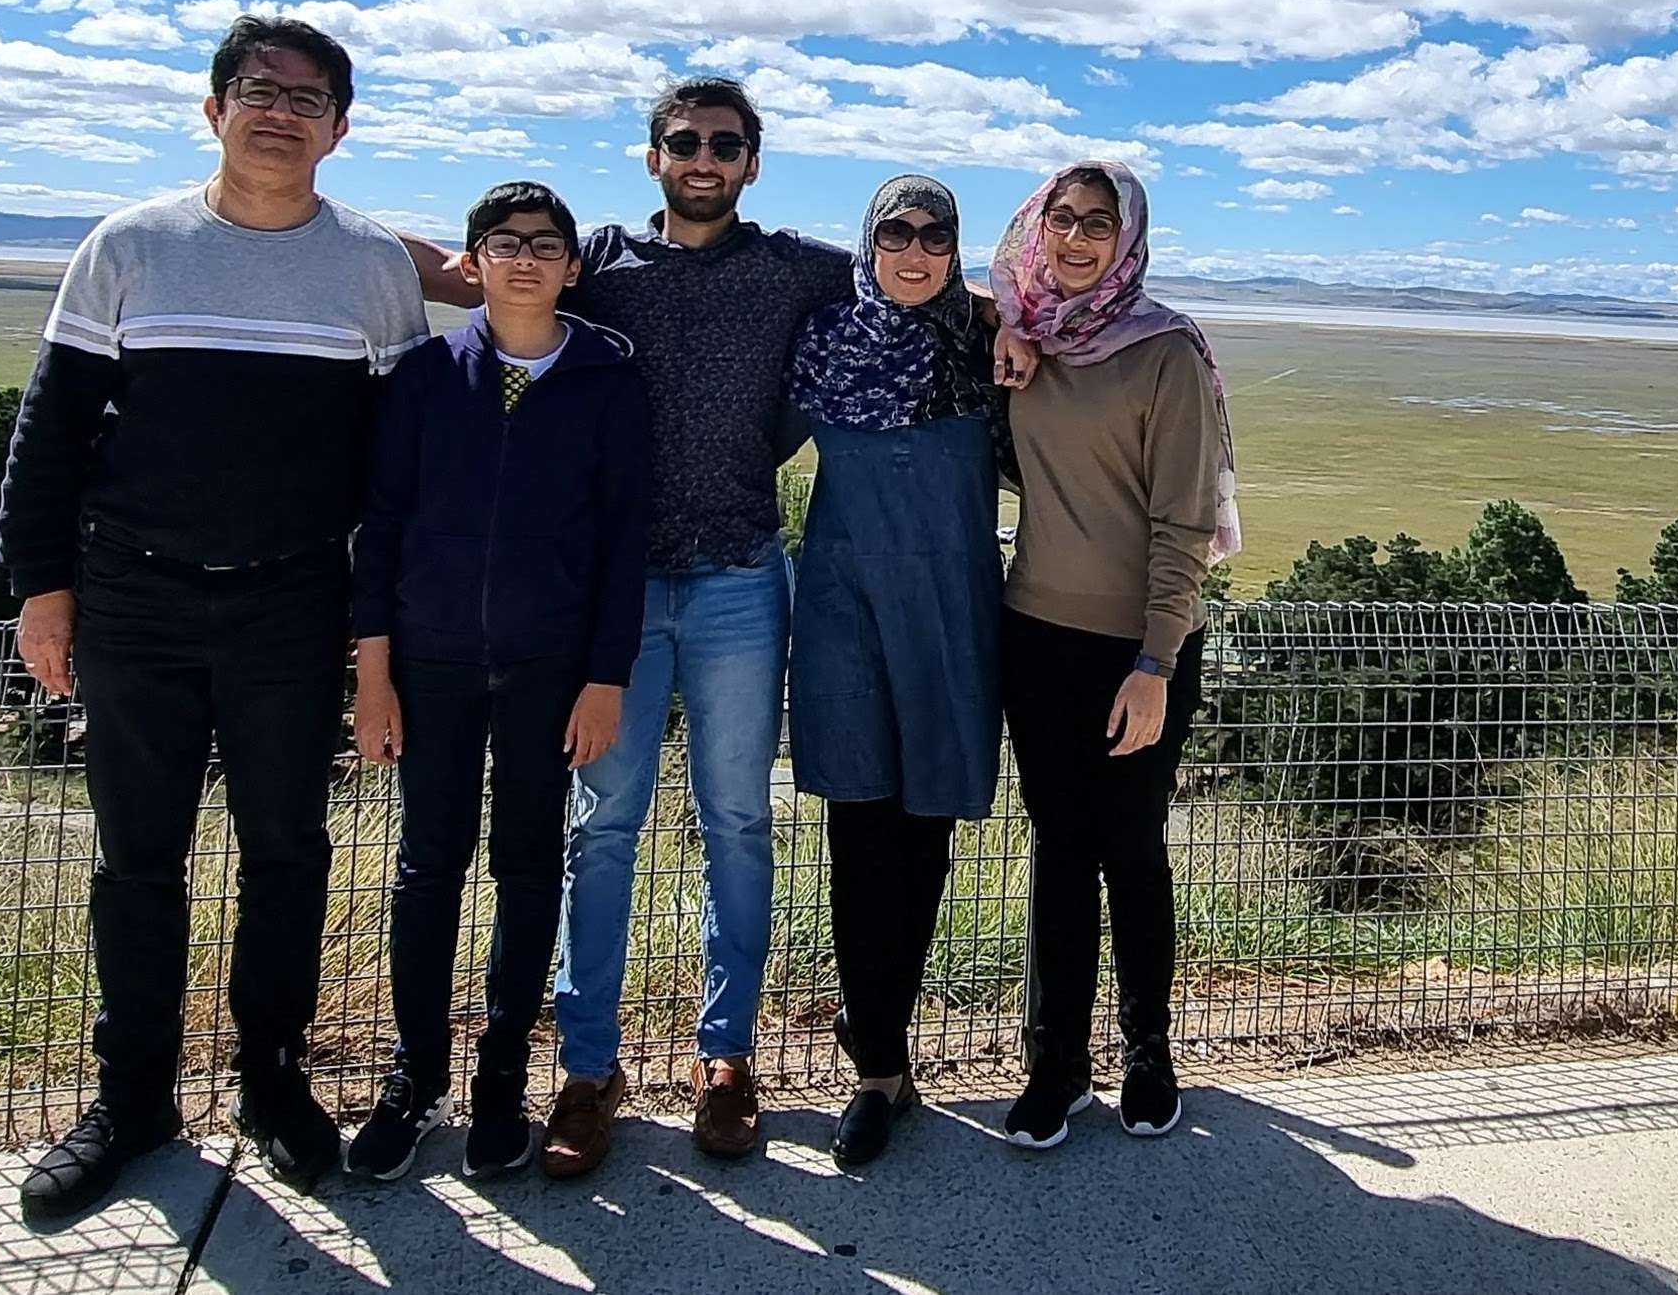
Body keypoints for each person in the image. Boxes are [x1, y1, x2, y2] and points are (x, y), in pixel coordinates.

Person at [0, 15, 430, 1217]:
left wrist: (375, 617)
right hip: (133, 594)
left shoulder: (370, 267)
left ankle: (273, 1079)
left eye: (306, 97)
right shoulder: (131, 244)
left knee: (287, 851)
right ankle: (134, 1096)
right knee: (139, 858)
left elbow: (389, 466)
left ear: (340, 129)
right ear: (213, 109)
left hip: (294, 601)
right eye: (257, 88)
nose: (279, 110)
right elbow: (52, 428)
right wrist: (42, 585)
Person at [398, 79, 853, 1173]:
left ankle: (727, 1058)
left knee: (739, 820)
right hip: (613, 594)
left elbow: (908, 275)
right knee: (602, 825)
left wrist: (1008, 321)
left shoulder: (795, 264)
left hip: (743, 575)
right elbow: (461, 262)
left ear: (753, 160)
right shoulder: (598, 257)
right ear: (652, 156)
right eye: (684, 141)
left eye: (726, 144)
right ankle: (588, 1068)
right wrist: (317, 224)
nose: (705, 157)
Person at [345, 182, 650, 1182]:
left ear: (573, 267)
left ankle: (499, 1083)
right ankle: (414, 1077)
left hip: (548, 664)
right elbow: (380, 526)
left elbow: (622, 541)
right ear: (470, 263)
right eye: (504, 243)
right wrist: (374, 672)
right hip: (427, 660)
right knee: (428, 868)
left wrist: (606, 676)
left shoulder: (607, 375)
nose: (525, 258)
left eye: (546, 244)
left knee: (528, 868)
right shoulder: (428, 372)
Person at [987, 159, 1241, 1151]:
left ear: (1128, 235)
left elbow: (1182, 522)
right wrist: (1007, 328)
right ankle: (1057, 1066)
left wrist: (1156, 662)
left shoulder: (1166, 348)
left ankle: (1148, 1053)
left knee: (1131, 852)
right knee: (1059, 853)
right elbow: (918, 286)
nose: (1080, 237)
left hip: (1138, 648)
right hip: (1035, 631)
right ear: (1037, 226)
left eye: (1101, 222)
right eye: (1064, 218)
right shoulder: (1027, 336)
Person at [786, 175, 1008, 1169]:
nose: (915, 252)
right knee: (858, 834)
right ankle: (876, 1066)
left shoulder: (992, 343)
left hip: (953, 613)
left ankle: (888, 1042)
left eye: (934, 235)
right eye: (896, 233)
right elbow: (739, 448)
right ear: (867, 243)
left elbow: (1063, 454)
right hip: (846, 614)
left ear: (955, 247)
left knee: (925, 841)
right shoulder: (824, 340)